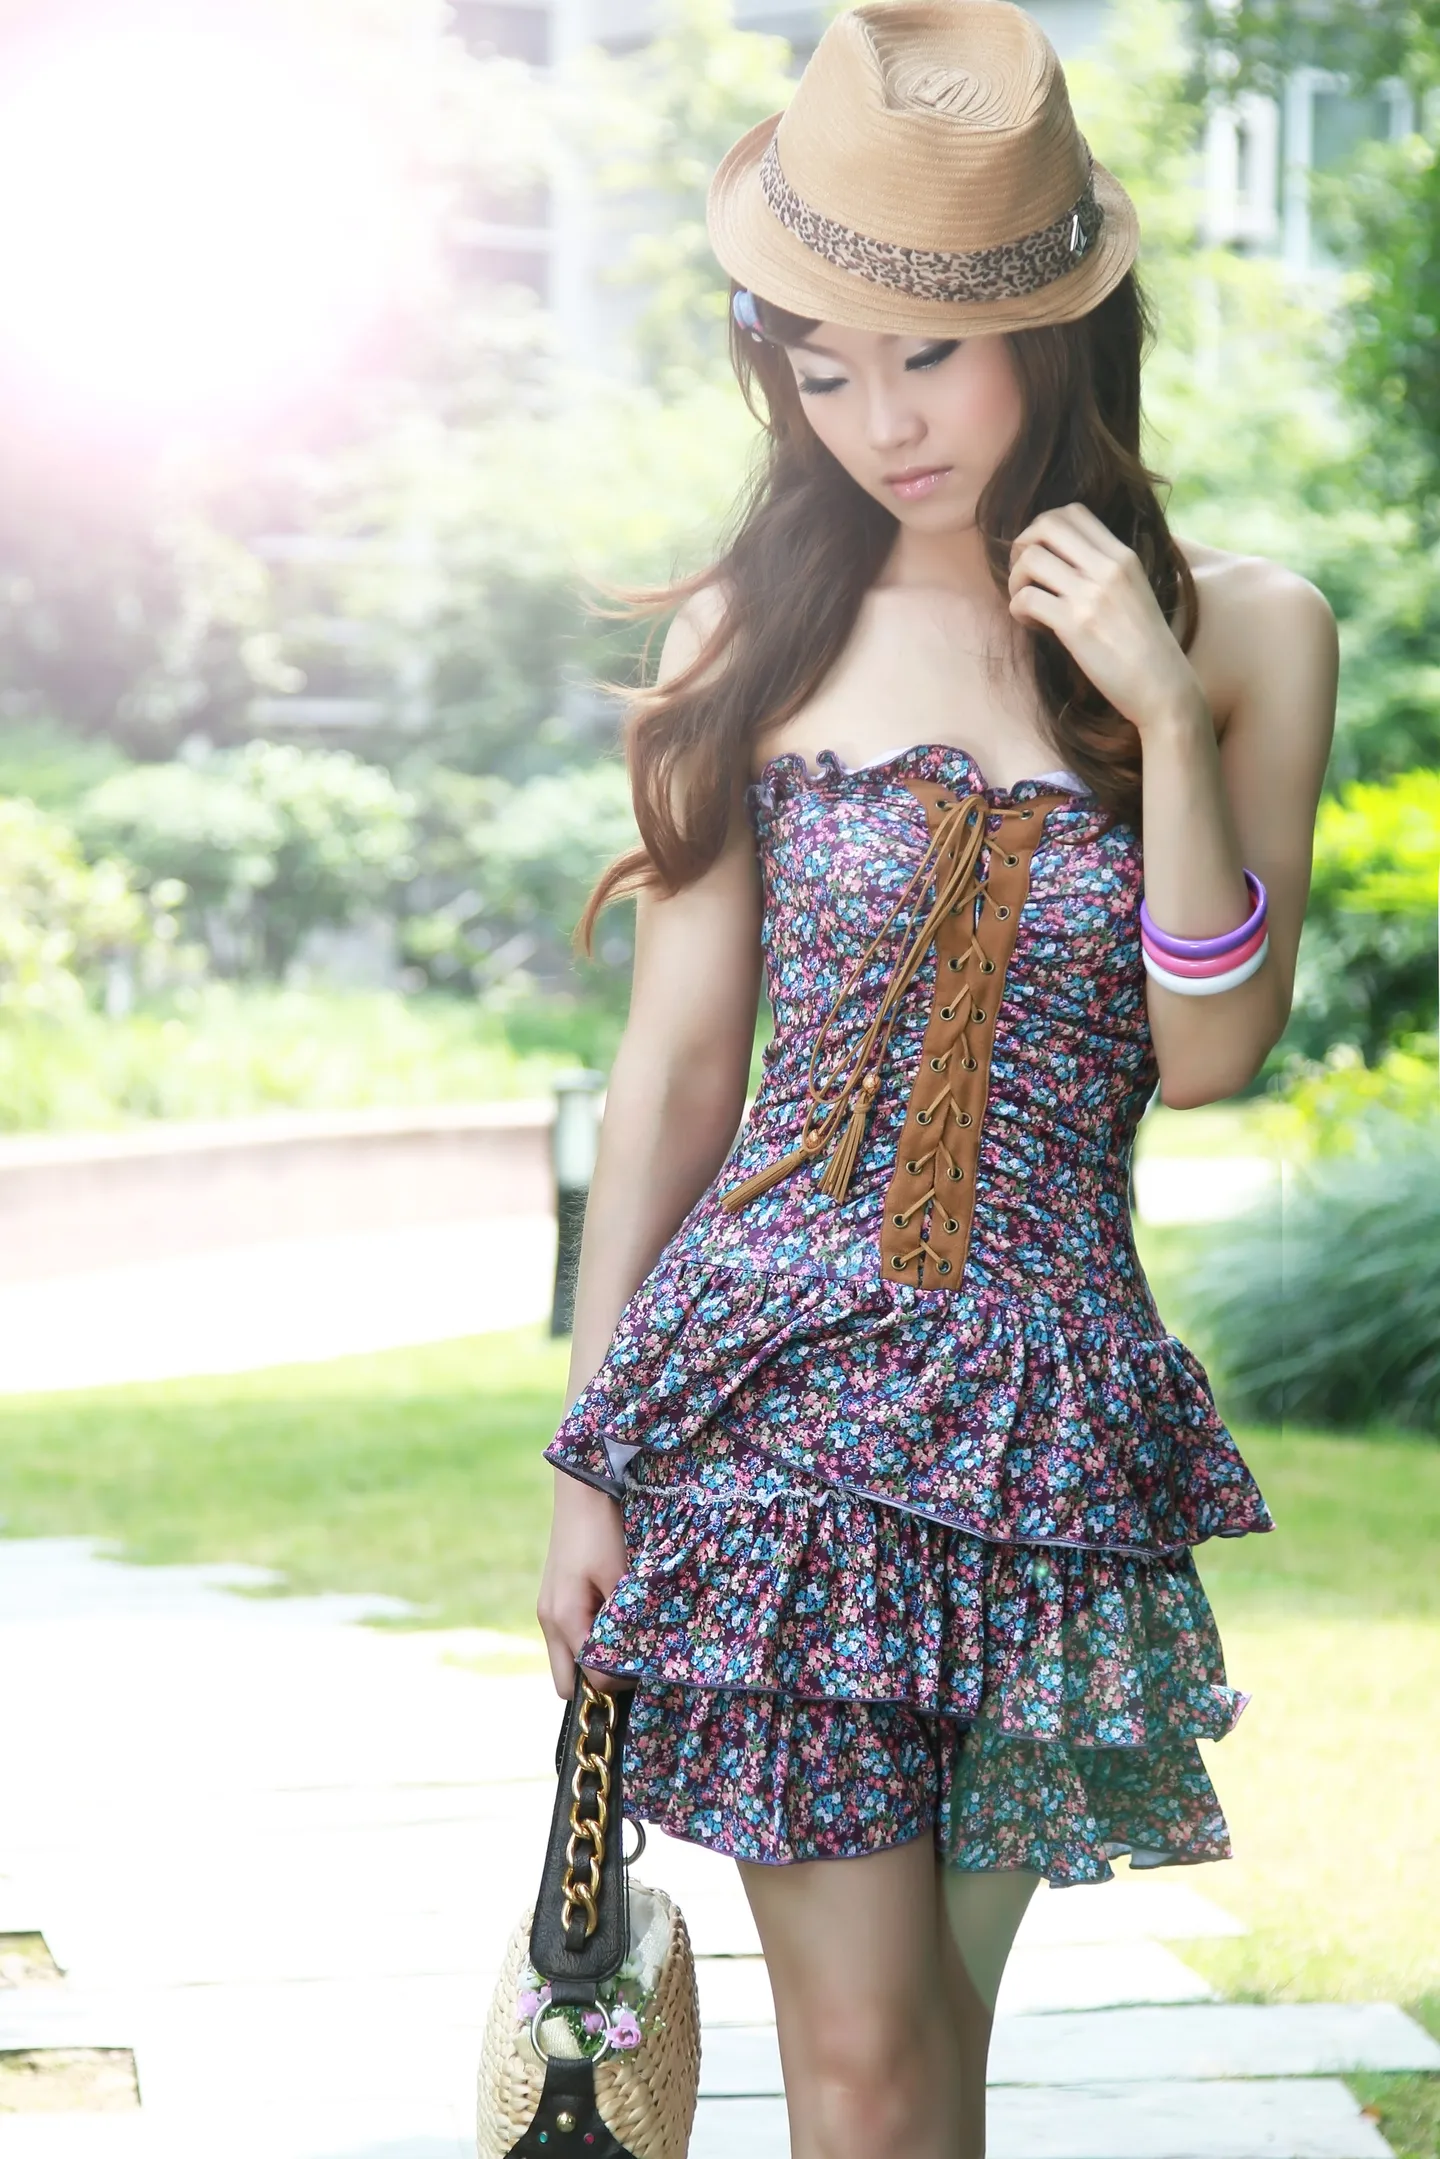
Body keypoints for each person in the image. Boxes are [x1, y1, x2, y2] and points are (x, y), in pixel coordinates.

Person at [536, 5, 1339, 2155]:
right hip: (775, 1406)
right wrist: (590, 1457)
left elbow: (1213, 1050)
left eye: (925, 357)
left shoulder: (1252, 632)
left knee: (937, 2062)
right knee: (871, 2073)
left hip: (1050, 1428)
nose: (875, 421)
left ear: (1056, 335)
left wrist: (1157, 711)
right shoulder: (756, 629)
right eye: (820, 369)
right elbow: (676, 1068)